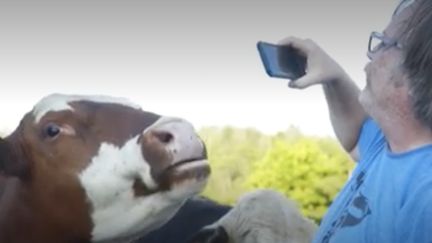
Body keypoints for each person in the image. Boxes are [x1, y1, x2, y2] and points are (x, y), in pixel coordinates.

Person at [278, 0, 432, 242]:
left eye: (383, 42)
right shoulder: (388, 143)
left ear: (419, 72)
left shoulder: (426, 196)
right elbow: (355, 137)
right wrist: (332, 76)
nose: (370, 52)